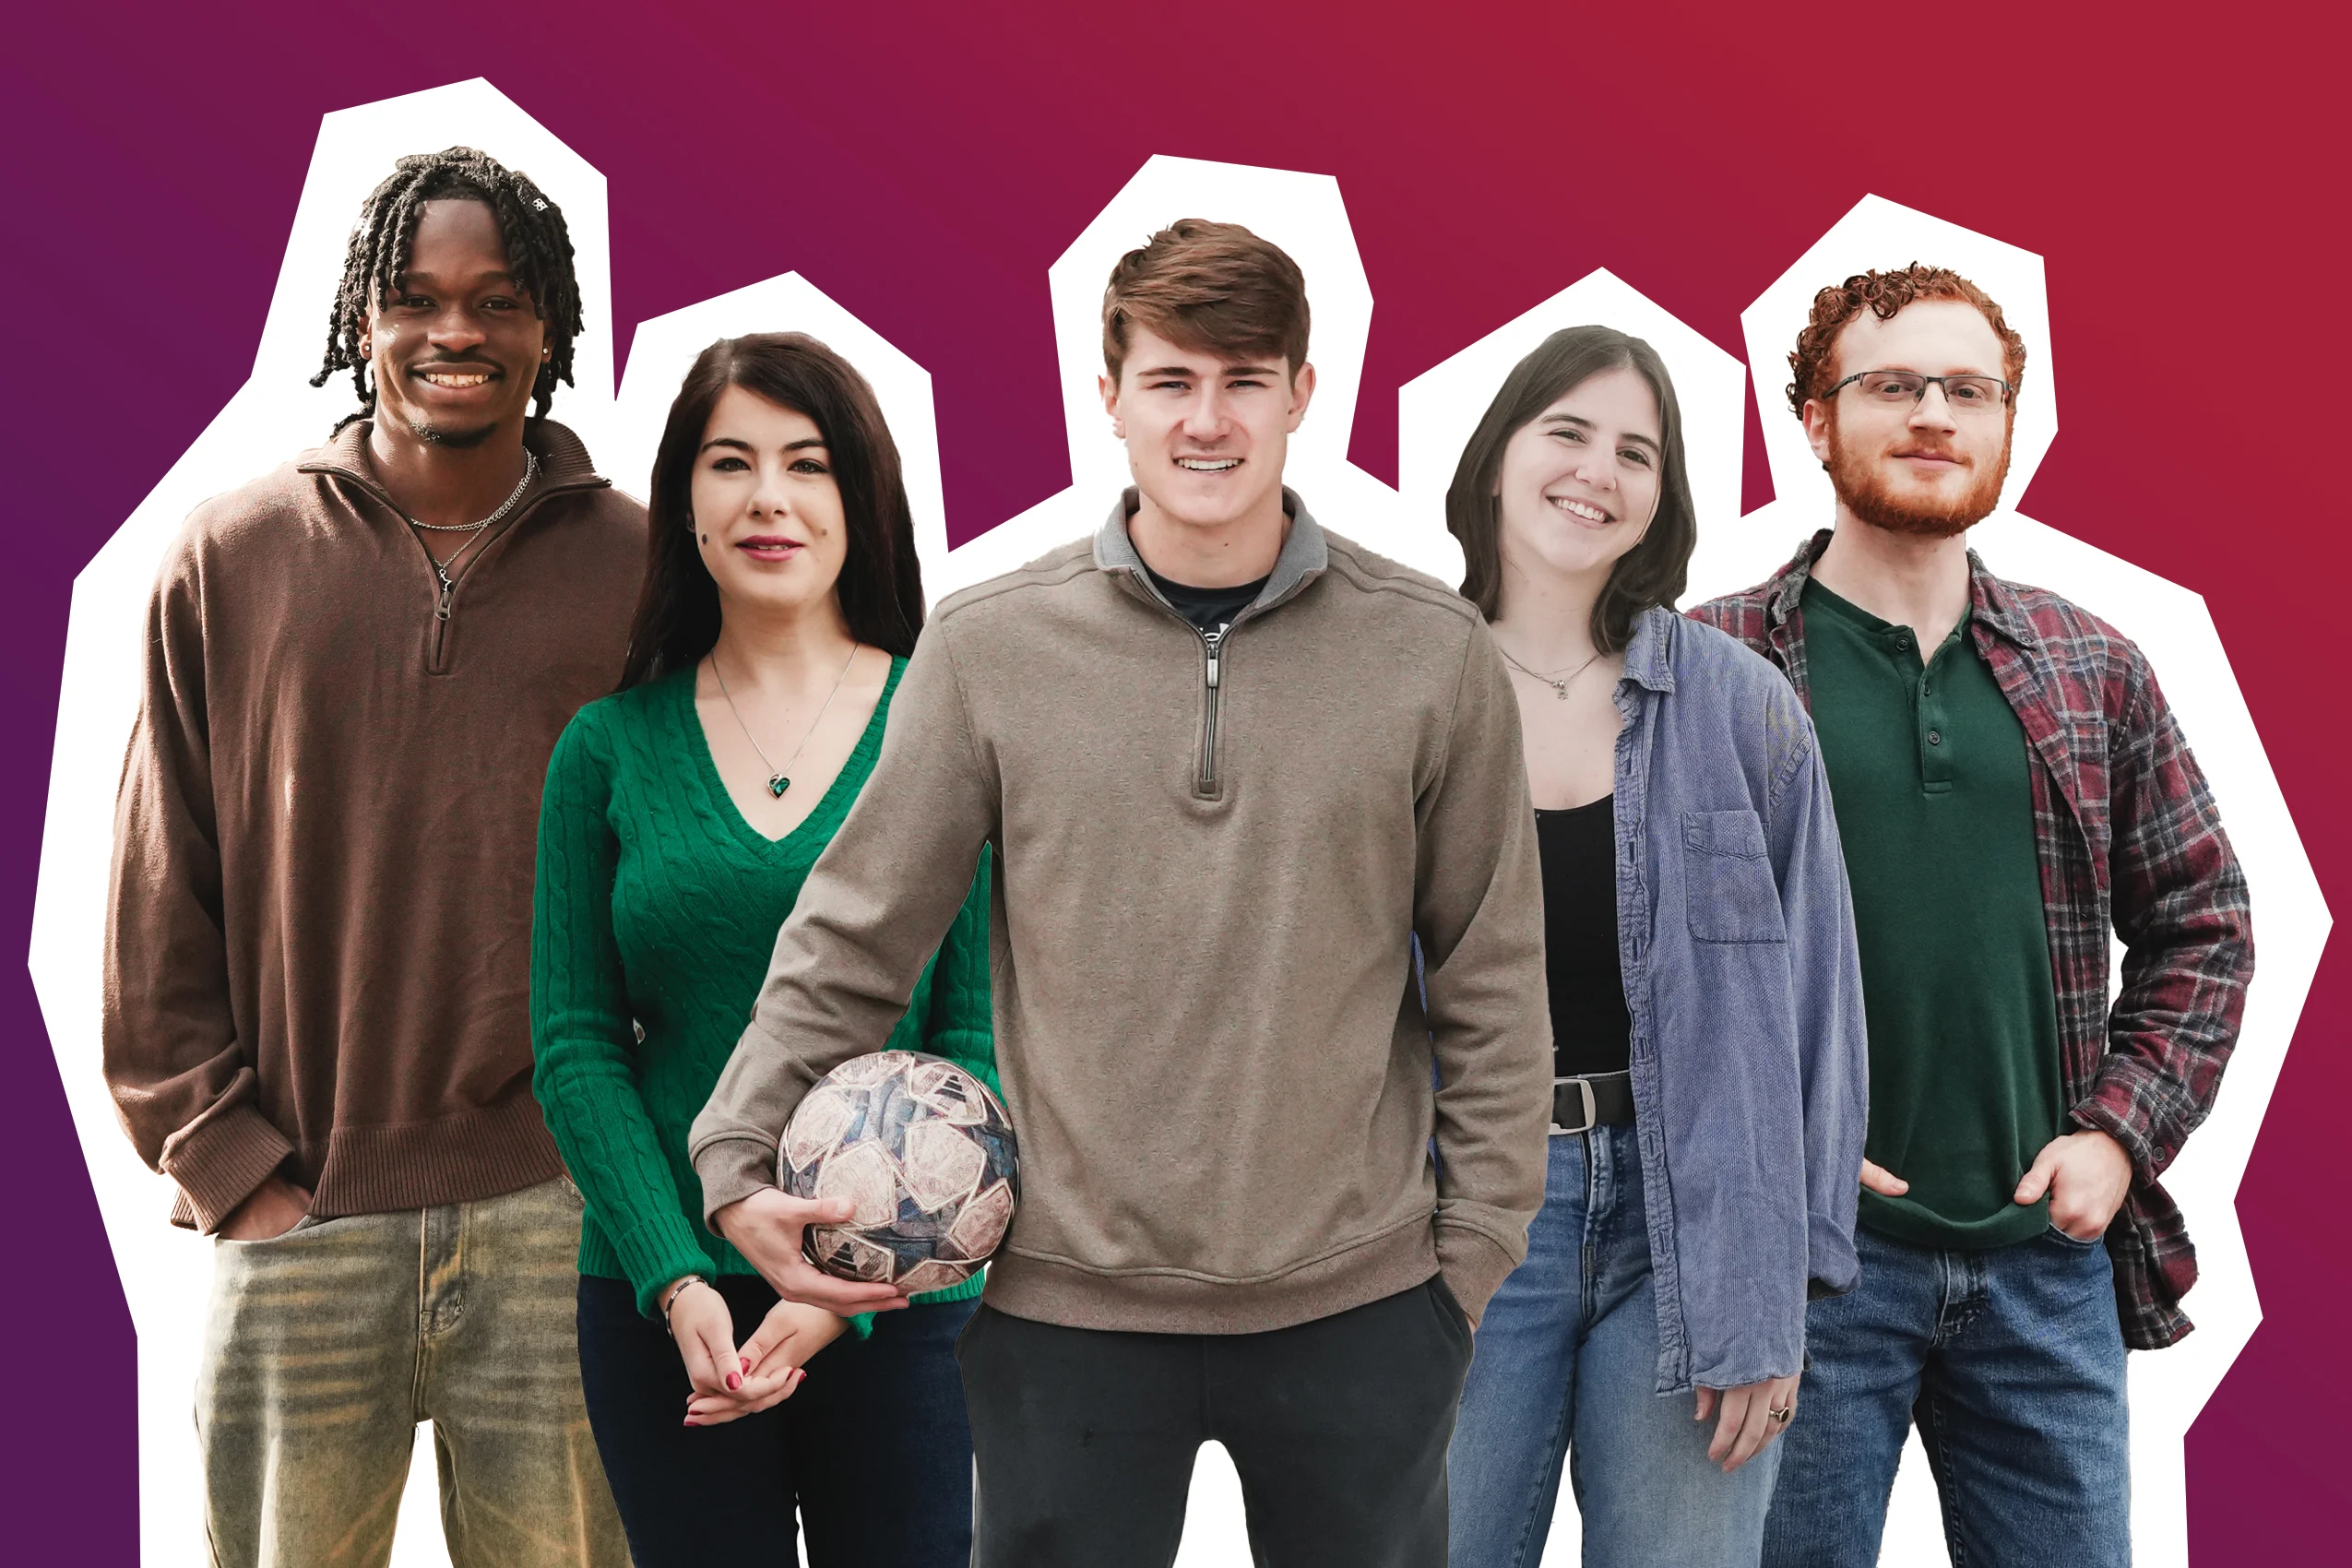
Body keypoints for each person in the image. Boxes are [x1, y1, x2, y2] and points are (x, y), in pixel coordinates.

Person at [688, 219, 1552, 1568]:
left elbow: (1493, 980)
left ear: (1301, 394)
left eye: (1244, 380)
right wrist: (734, 1153)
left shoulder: (1428, 652)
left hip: (1363, 1305)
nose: (1207, 421)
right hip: (1064, 1308)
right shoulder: (988, 647)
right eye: (1170, 382)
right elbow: (856, 938)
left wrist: (1474, 1254)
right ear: (1108, 399)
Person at [101, 147, 637, 1566]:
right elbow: (162, 894)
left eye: (497, 300)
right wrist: (232, 1170)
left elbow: (698, 882)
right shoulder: (229, 558)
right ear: (360, 322)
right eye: (413, 297)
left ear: (551, 326)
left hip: (556, 1219)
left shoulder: (647, 576)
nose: (454, 331)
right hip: (301, 1214)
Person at [1691, 264, 2254, 1567]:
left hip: (2041, 1271)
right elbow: (1623, 960)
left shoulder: (2089, 664)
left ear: (2007, 424)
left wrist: (2115, 1137)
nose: (1933, 413)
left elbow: (2203, 924)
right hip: (1800, 1276)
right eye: (1891, 385)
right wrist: (1771, 1152)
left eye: (1967, 389)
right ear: (1817, 419)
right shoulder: (1708, 664)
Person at [531, 332, 995, 1567]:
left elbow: (976, 1039)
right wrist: (679, 1280)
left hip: (905, 1312)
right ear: (683, 499)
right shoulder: (605, 750)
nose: (769, 498)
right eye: (731, 463)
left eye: (808, 463)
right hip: (658, 1303)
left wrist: (827, 1298)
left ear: (863, 497)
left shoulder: (947, 729)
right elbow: (576, 1047)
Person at [1439, 326, 1868, 1568]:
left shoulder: (1740, 707)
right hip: (1460, 1220)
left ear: (1662, 498)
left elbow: (1818, 1013)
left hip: (1695, 1230)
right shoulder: (1399, 686)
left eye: (1637, 451)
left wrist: (1784, 1292)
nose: (1597, 471)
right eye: (1565, 432)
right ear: (1497, 457)